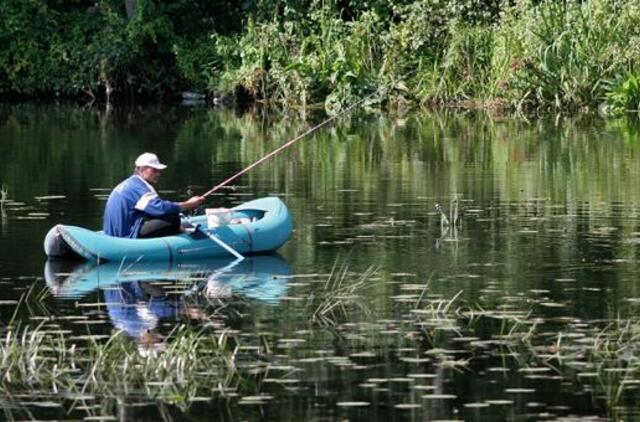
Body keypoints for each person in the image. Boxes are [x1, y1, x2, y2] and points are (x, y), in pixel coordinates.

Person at [103, 152, 204, 238]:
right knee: (172, 217)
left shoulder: (130, 183)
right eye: (154, 170)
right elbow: (161, 209)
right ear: (141, 170)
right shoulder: (139, 188)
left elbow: (154, 211)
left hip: (115, 234)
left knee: (165, 214)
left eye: (159, 171)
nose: (158, 174)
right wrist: (189, 204)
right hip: (126, 236)